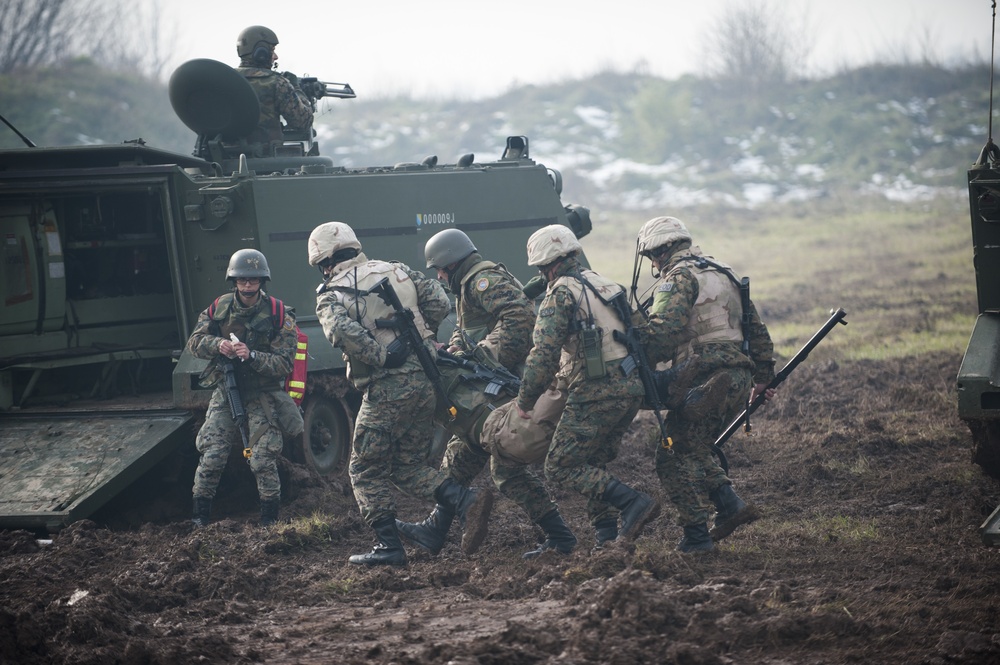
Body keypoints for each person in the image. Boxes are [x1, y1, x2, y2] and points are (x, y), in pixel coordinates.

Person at [309, 221, 494, 566]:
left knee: (364, 469)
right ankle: (466, 503)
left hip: (388, 388)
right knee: (406, 465)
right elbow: (438, 302)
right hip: (426, 377)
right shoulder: (397, 269)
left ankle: (389, 548)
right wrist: (419, 337)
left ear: (324, 263)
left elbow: (340, 332)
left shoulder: (331, 293)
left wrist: (382, 355)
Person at [397, 228, 577, 559]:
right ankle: (435, 529)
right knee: (460, 457)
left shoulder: (482, 280)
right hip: (495, 385)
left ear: (453, 263)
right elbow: (476, 330)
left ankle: (561, 537)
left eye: (439, 268)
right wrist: (459, 348)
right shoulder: (468, 286)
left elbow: (519, 320)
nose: (438, 275)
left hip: (505, 388)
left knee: (504, 467)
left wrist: (482, 354)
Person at [514, 224, 661, 548]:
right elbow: (644, 336)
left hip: (595, 391)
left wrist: (525, 401)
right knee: (592, 463)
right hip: (630, 387)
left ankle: (632, 503)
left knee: (560, 466)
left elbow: (544, 355)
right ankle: (605, 538)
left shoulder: (560, 293)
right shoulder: (607, 285)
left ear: (545, 266)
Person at [636, 215, 776, 553]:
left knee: (670, 456)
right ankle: (728, 505)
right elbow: (755, 329)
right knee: (694, 449)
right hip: (738, 378)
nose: (654, 264)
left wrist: (636, 350)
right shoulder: (722, 271)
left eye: (653, 256)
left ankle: (697, 537)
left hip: (703, 378)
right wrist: (763, 379)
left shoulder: (679, 278)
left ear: (662, 251)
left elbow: (663, 335)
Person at [188, 249, 303, 528]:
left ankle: (269, 521)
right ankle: (199, 519)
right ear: (234, 281)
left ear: (262, 281)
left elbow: (285, 364)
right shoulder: (218, 308)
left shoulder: (278, 314)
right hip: (227, 390)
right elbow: (194, 342)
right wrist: (218, 345)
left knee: (262, 459)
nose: (248, 286)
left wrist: (251, 356)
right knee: (212, 455)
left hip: (262, 394)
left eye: (253, 280)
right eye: (242, 280)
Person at [235, 25, 314, 145]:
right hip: (266, 160)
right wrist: (296, 88)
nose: (276, 57)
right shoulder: (276, 82)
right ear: (261, 53)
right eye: (272, 50)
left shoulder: (223, 80)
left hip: (224, 159)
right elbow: (303, 122)